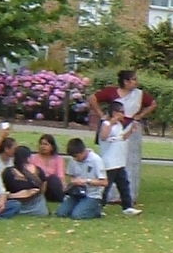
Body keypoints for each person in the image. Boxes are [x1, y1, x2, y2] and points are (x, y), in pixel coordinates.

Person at [115, 70, 153, 203]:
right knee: (115, 158)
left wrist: (140, 116)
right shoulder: (112, 92)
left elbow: (152, 104)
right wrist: (102, 114)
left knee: (131, 160)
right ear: (126, 81)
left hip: (132, 125)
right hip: (116, 126)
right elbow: (94, 98)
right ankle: (113, 193)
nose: (136, 82)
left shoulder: (139, 94)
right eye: (133, 79)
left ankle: (130, 193)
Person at [98, 108, 140, 215]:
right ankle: (99, 206)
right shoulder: (106, 124)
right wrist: (111, 122)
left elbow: (122, 138)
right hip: (109, 162)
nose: (123, 115)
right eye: (121, 112)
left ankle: (127, 206)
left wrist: (131, 131)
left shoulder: (119, 125)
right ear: (115, 113)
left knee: (124, 185)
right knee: (106, 186)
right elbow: (103, 137)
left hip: (119, 162)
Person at [58, 138, 107, 218]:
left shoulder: (96, 160)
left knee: (77, 215)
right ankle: (80, 206)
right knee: (61, 213)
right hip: (77, 193)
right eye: (73, 157)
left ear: (83, 152)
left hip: (92, 194)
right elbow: (69, 176)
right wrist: (69, 184)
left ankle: (96, 210)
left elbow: (104, 182)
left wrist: (86, 181)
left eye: (76, 156)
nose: (75, 159)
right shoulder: (73, 160)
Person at [2, 145, 50, 215]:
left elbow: (5, 189)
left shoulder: (7, 172)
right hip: (37, 205)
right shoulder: (38, 170)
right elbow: (43, 186)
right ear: (28, 157)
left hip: (17, 203)